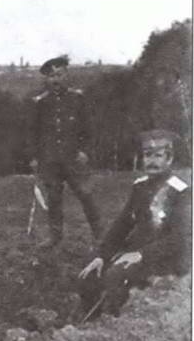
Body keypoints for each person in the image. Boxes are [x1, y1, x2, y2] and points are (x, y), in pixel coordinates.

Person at [77, 129, 191, 320]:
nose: (151, 161)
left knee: (116, 274)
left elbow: (181, 237)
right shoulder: (140, 186)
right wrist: (101, 255)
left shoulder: (181, 191)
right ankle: (89, 326)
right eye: (147, 155)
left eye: (158, 156)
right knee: (90, 270)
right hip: (135, 252)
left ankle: (115, 326)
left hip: (164, 258)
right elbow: (122, 225)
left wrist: (142, 254)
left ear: (169, 159)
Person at [29, 55, 102, 248]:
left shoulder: (77, 99)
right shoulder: (41, 104)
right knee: (53, 199)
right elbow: (34, 133)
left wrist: (85, 152)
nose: (55, 80)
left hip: (74, 159)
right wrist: (35, 157)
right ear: (46, 79)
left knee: (86, 195)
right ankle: (55, 237)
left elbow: (89, 130)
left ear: (66, 75)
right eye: (51, 76)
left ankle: (100, 236)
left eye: (59, 74)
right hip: (50, 160)